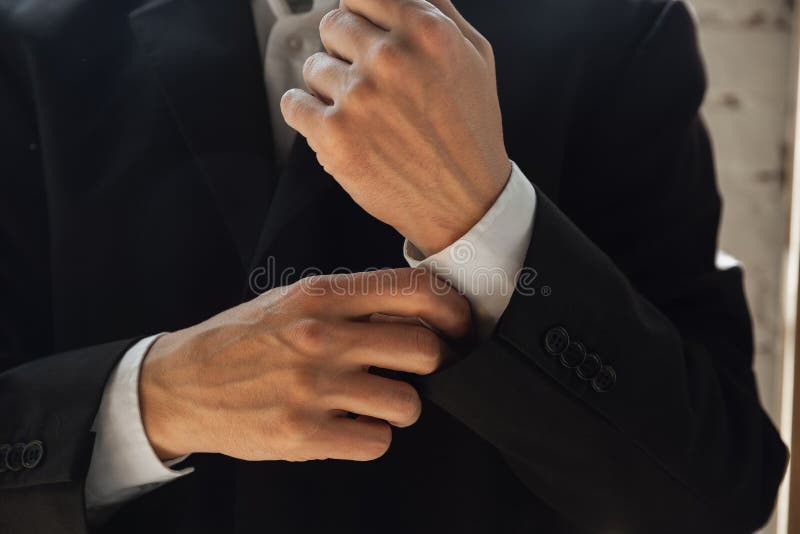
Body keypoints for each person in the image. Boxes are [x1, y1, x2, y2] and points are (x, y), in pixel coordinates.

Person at [0, 0, 788, 532]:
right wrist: (153, 398)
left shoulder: (618, 29)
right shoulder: (26, 37)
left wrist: (480, 215)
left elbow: (715, 493)